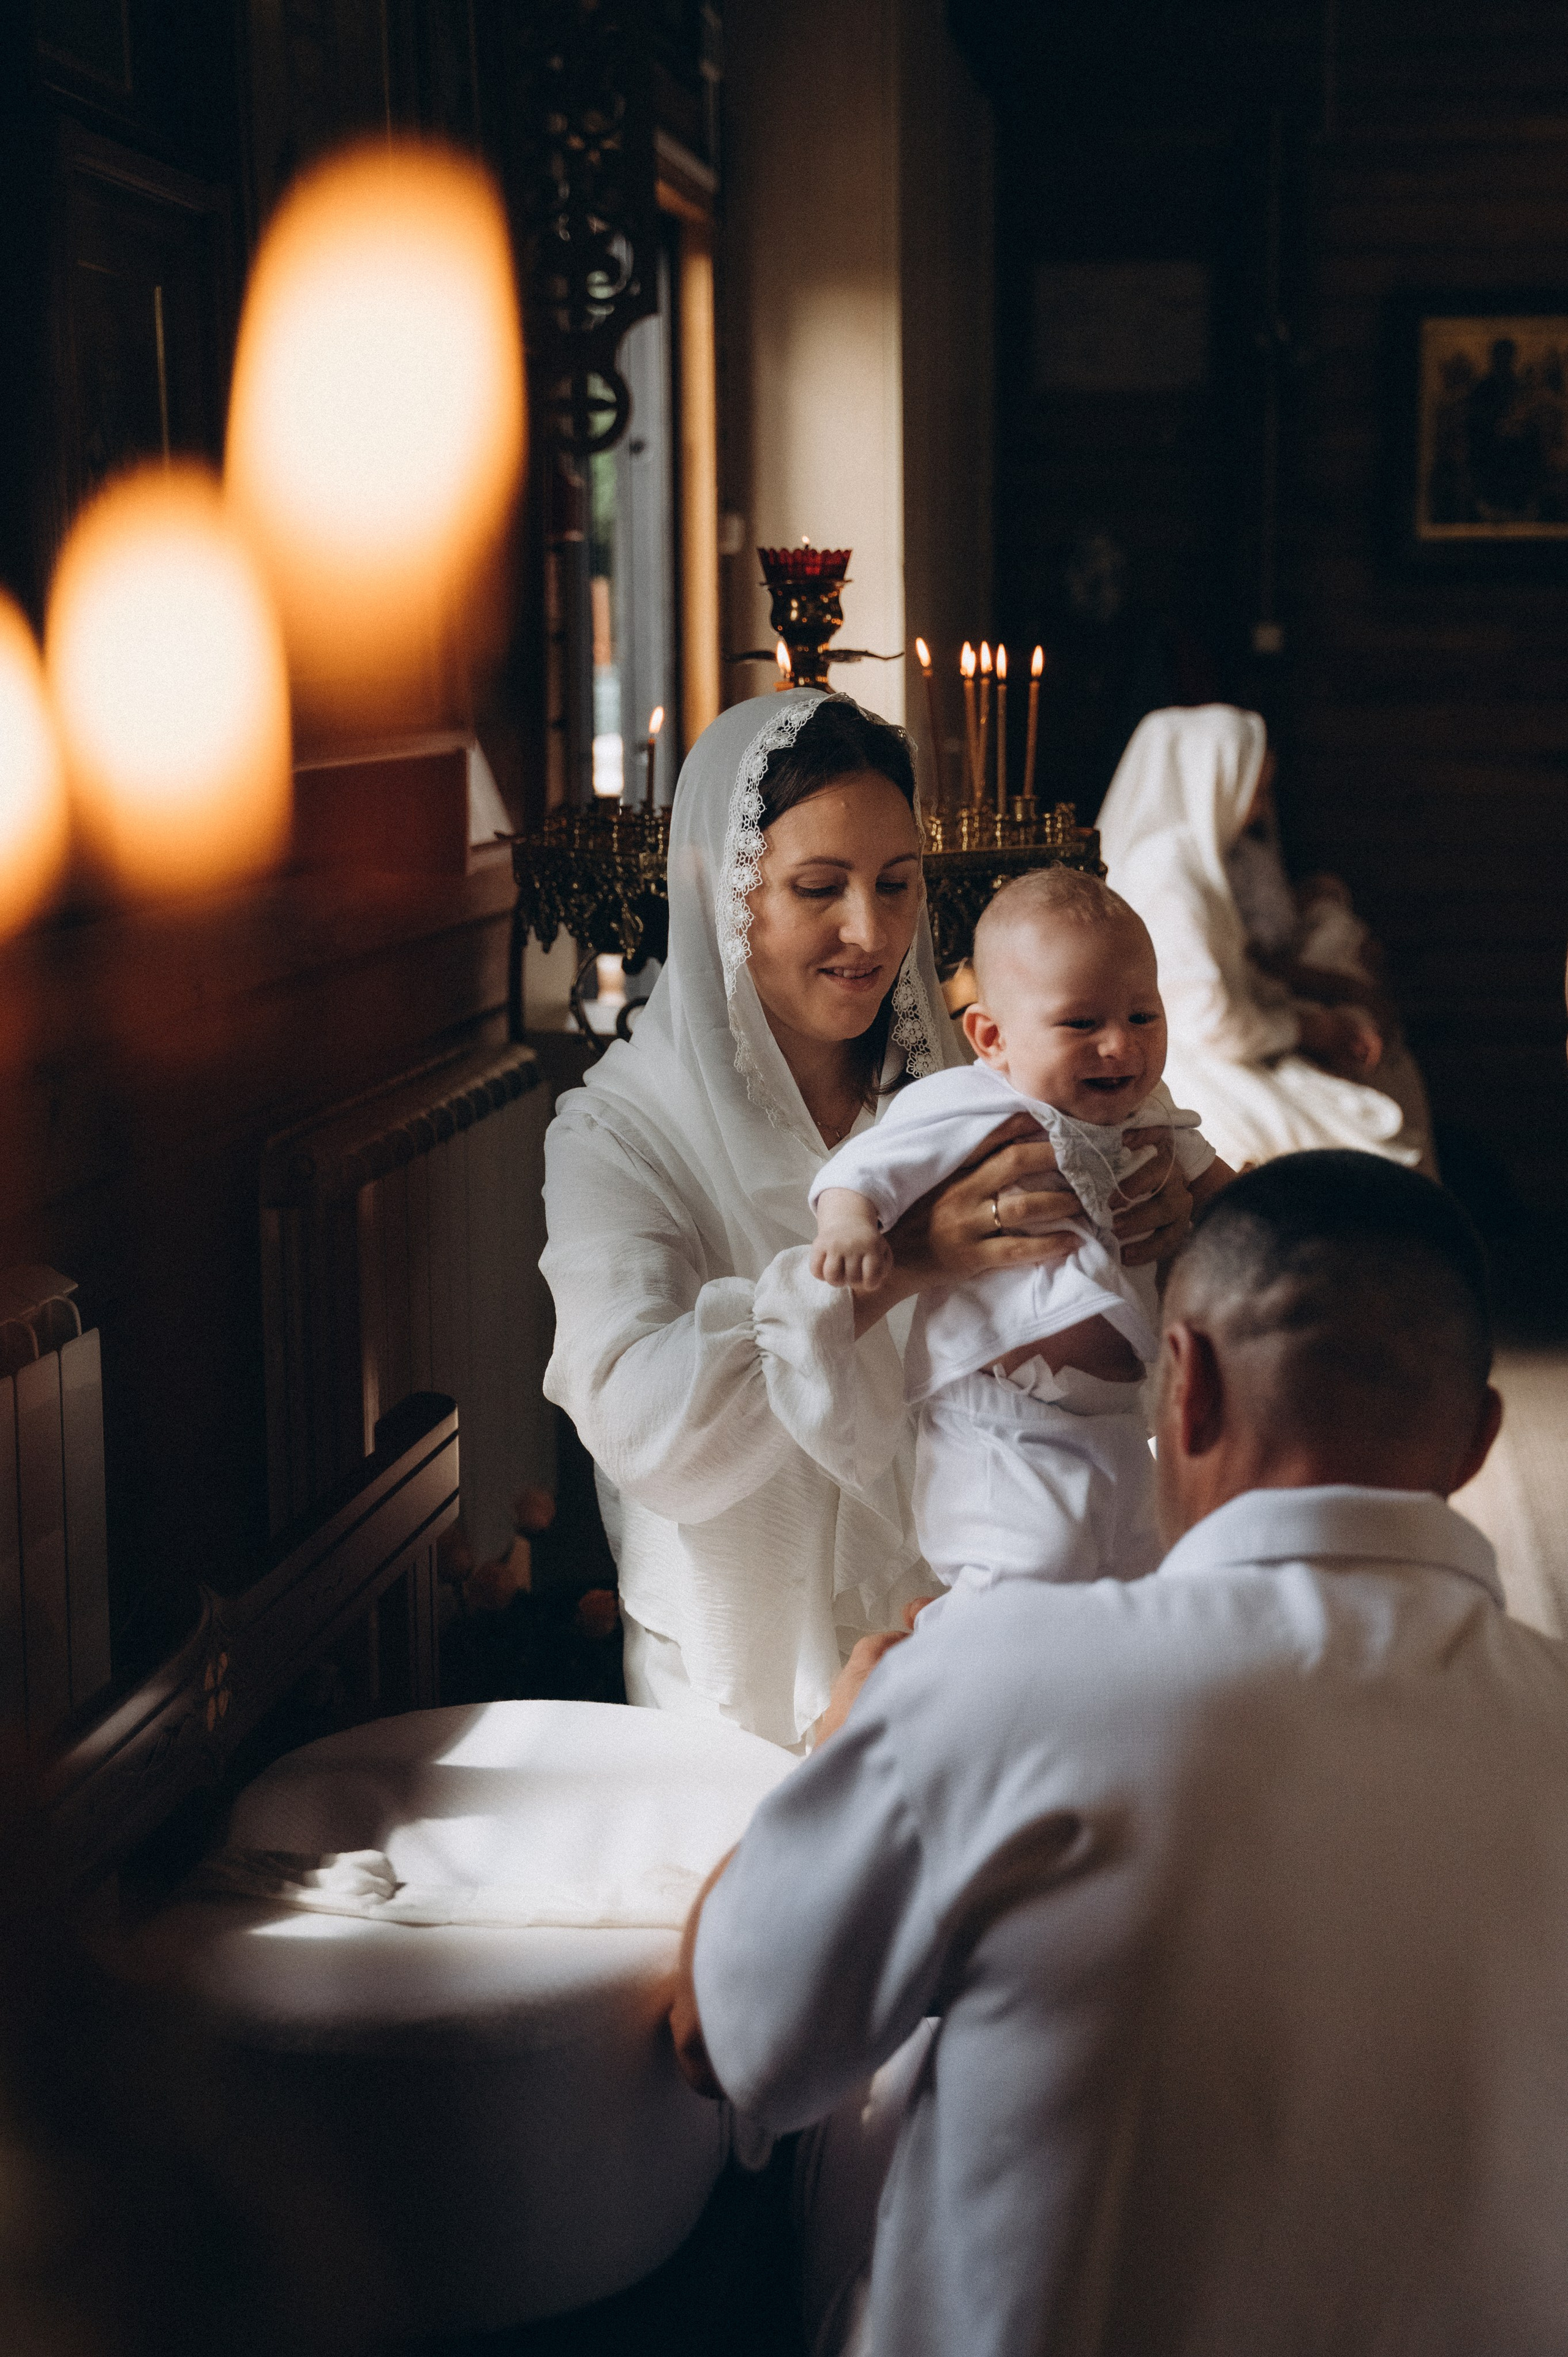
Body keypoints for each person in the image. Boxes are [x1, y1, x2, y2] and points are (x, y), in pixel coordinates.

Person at [671, 1152, 1568, 2357]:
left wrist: (846, 1735)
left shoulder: (1001, 1676)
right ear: (1474, 1444)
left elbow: (731, 2044)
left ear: (1182, 1386)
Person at [540, 690, 1196, 1748]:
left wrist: (1168, 1234)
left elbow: (1144, 1360)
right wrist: (895, 1264)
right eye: (819, 888)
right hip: (748, 1673)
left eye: (898, 885)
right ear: (719, 885)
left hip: (989, 1607)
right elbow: (641, 1427)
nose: (874, 931)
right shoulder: (618, 1133)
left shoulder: (987, 1079)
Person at [809, 867, 1230, 1601]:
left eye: (1142, 1016)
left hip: (1120, 1421)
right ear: (993, 1036)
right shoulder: (964, 1104)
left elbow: (1221, 1190)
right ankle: (956, 1665)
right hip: (998, 1419)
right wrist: (849, 1223)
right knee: (1022, 1573)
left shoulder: (1152, 1113)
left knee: (1144, 1575)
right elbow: (862, 1168)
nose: (1119, 1048)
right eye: (1081, 1023)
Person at [1097, 705, 1436, 1173]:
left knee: (1385, 1092)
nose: (1258, 809)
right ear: (1214, 783)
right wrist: (1309, 1028)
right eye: (1253, 792)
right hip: (1195, 1065)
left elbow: (1234, 977)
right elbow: (1210, 1016)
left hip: (1223, 1048)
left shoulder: (1190, 860)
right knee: (1376, 1145)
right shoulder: (1166, 871)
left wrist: (1311, 1017)